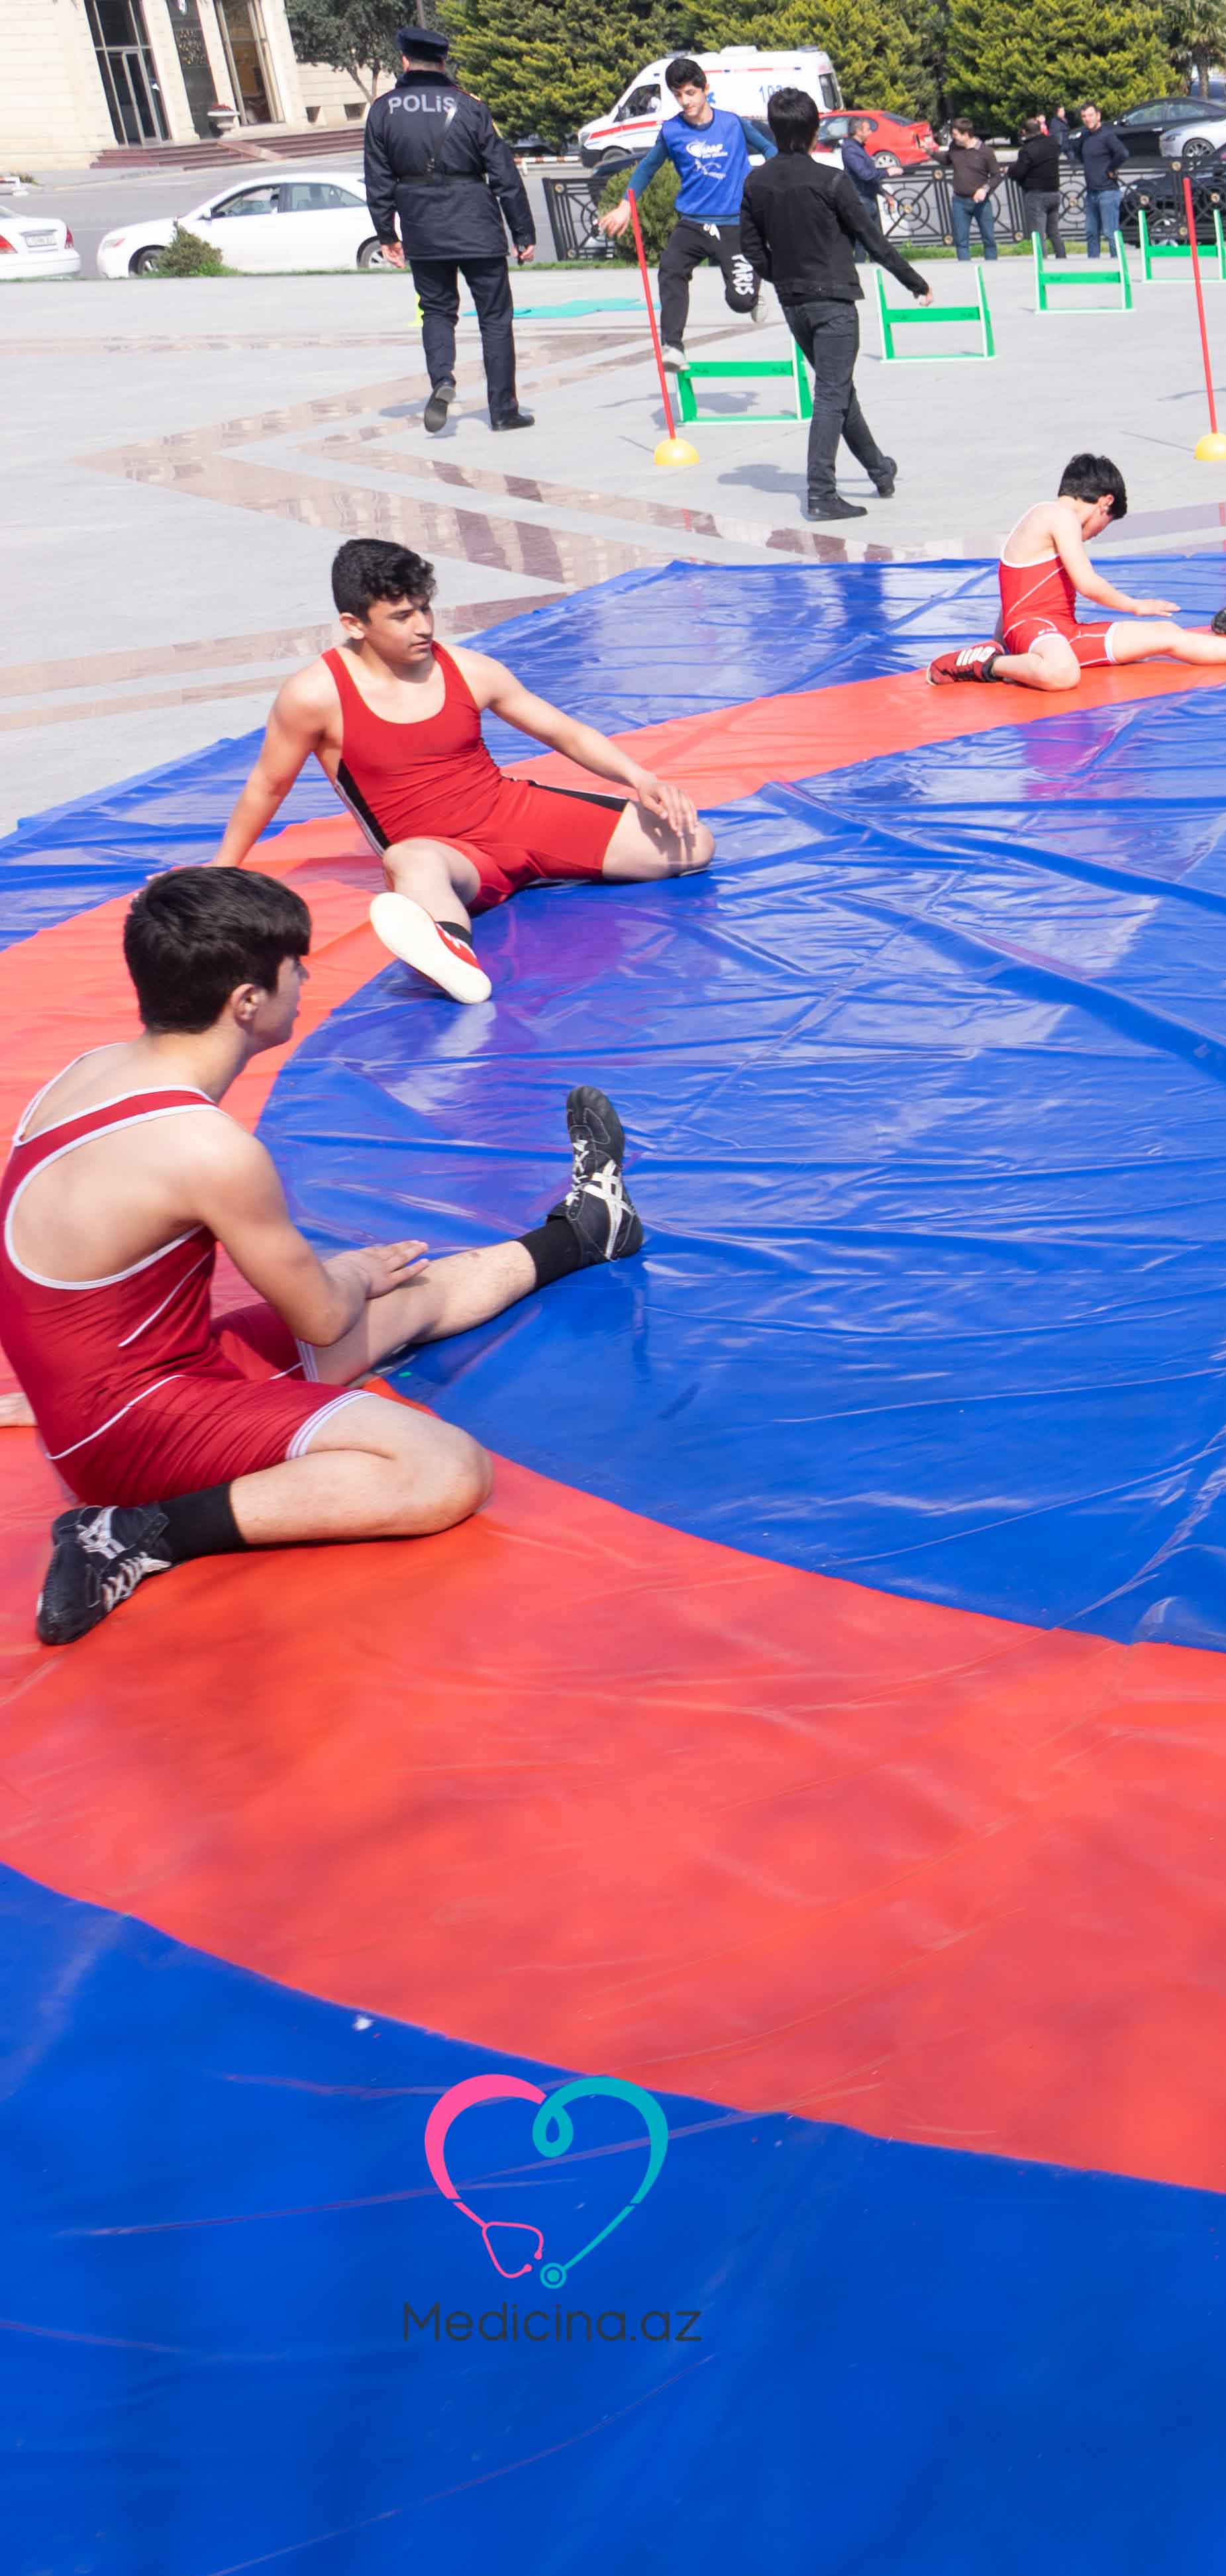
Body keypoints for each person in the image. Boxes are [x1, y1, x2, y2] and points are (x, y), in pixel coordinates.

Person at [1, 867, 652, 1647]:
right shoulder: (206, 1149)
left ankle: (586, 1229)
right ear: (246, 1001)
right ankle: (134, 1532)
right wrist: (351, 1273)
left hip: (124, 1390)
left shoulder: (89, 1073)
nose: (307, 979)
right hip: (133, 1431)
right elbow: (320, 1312)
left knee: (404, 1295)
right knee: (444, 1470)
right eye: (295, 967)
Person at [207, 538, 711, 1007]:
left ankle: (502, 894)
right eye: (403, 616)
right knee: (410, 862)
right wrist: (220, 872)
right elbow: (268, 785)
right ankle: (453, 955)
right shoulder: (315, 696)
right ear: (354, 624)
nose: (424, 627)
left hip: (519, 818)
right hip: (451, 857)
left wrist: (641, 778)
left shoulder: (470, 669)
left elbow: (564, 733)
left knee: (694, 843)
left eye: (425, 608)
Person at [927, 456, 1226, 691]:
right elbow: (1086, 583)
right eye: (1106, 523)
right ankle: (984, 665)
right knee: (1063, 674)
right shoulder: (1056, 516)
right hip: (1036, 632)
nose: (1099, 532)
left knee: (1165, 634)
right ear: (1106, 502)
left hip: (1059, 632)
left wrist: (1000, 637)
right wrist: (1135, 606)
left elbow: (1018, 593)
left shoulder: (1049, 521)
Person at [744, 89, 929, 524]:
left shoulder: (756, 182)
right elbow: (872, 239)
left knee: (839, 389)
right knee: (831, 394)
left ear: (774, 130)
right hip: (834, 304)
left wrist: (781, 276)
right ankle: (822, 493)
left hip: (795, 304)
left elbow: (751, 246)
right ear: (814, 134)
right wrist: (915, 282)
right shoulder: (831, 180)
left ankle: (880, 470)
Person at [360, 24, 533, 438]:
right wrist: (523, 233)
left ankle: (443, 378)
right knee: (494, 318)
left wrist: (387, 235)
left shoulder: (383, 110)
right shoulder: (470, 107)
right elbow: (504, 175)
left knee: (436, 311)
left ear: (404, 61)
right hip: (477, 224)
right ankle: (503, 411)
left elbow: (377, 181)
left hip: (423, 228)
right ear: (443, 61)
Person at [620, 58, 768, 368]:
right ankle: (673, 346)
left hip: (733, 224)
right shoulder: (672, 131)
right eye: (678, 96)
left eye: (690, 93)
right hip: (693, 222)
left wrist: (775, 179)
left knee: (741, 303)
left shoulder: (733, 124)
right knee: (671, 269)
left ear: (705, 90)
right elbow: (647, 168)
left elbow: (770, 150)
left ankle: (753, 289)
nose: (685, 102)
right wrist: (625, 204)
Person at [943, 118, 1002, 262]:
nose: (953, 137)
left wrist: (984, 189)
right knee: (961, 240)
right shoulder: (954, 147)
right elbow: (946, 160)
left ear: (967, 134)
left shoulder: (985, 152)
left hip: (980, 202)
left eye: (956, 134)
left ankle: (992, 269)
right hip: (959, 200)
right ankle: (966, 272)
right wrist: (929, 152)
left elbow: (996, 176)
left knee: (988, 238)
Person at [1072, 103, 1126, 260]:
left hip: (1108, 191)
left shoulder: (1107, 135)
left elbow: (1122, 153)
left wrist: (1111, 169)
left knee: (1110, 233)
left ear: (1098, 116)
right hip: (1091, 193)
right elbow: (1080, 155)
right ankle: (1093, 265)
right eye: (1084, 117)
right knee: (1091, 232)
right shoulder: (1085, 136)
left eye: (1090, 115)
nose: (1087, 119)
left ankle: (1118, 264)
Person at [1009, 111, 1063, 242]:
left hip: (1037, 194)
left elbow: (1019, 172)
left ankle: (1041, 262)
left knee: (1038, 236)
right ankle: (1062, 259)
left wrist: (1010, 171)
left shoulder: (1027, 149)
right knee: (1054, 232)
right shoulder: (1053, 143)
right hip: (1054, 192)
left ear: (1024, 132)